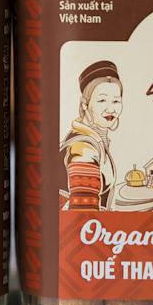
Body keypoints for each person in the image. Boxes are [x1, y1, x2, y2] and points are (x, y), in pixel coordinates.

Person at [61, 61, 123, 210]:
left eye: (116, 101)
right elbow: (83, 210)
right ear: (85, 104)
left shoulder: (94, 139)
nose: (111, 108)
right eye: (102, 100)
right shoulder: (83, 149)